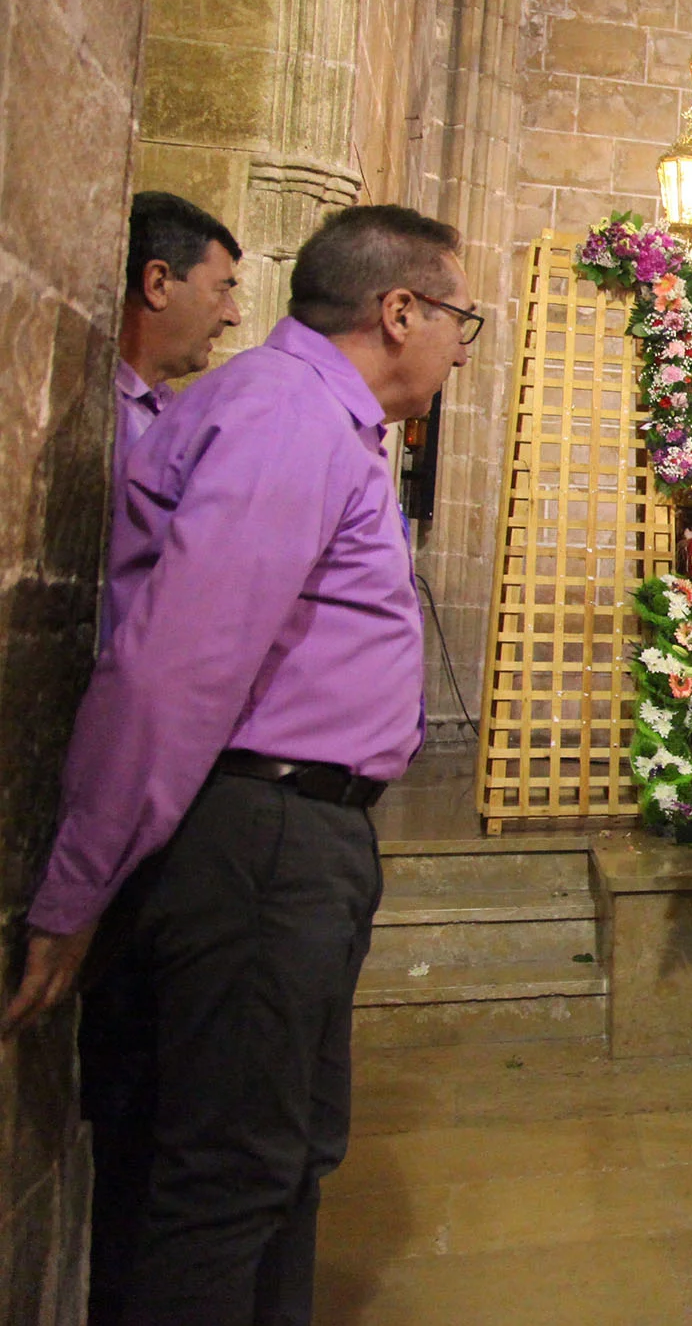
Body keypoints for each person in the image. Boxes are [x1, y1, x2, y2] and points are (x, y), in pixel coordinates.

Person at [0, 203, 473, 1325]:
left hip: (278, 832)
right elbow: (178, 664)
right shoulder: (289, 416)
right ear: (397, 311)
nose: (463, 343)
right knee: (224, 1181)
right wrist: (78, 889)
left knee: (265, 1164)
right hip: (257, 838)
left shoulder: (307, 414)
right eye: (462, 317)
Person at [113, 190, 242, 493]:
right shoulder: (97, 410)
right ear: (158, 284)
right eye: (221, 291)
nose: (233, 315)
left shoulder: (173, 413)